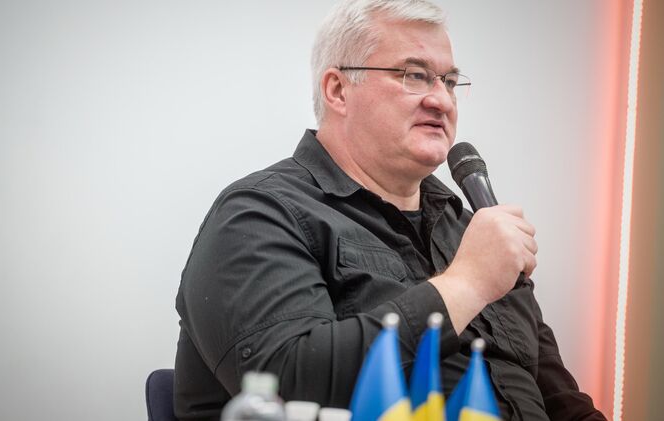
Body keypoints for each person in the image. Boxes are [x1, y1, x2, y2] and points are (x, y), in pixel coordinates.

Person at [174, 1, 606, 420]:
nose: (443, 100)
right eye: (415, 75)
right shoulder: (259, 214)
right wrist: (467, 284)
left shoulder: (472, 230)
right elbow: (284, 385)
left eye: (449, 81)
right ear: (338, 90)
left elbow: (560, 400)